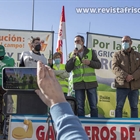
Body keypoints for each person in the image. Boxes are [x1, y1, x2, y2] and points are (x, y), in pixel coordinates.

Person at [35, 61, 88, 140]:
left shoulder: (63, 65)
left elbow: (66, 74)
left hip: (62, 92)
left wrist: (57, 102)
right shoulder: (52, 66)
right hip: (55, 92)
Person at [65, 35, 101, 117]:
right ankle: (82, 124)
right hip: (78, 84)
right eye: (75, 41)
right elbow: (68, 69)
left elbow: (98, 65)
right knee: (80, 107)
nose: (76, 43)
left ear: (83, 42)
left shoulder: (91, 51)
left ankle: (94, 124)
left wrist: (90, 62)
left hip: (91, 83)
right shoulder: (71, 54)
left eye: (78, 41)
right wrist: (73, 57)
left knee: (94, 106)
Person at [112, 35, 140, 118]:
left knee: (134, 107)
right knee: (119, 107)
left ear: (131, 42)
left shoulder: (138, 55)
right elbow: (114, 67)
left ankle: (134, 128)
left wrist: (133, 76)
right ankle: (117, 126)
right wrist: (126, 76)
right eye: (123, 41)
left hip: (134, 86)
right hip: (122, 85)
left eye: (126, 41)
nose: (124, 43)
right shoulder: (117, 54)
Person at [0, 45, 15, 133]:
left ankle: (8, 126)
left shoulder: (10, 60)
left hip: (6, 87)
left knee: (9, 105)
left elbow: (12, 74)